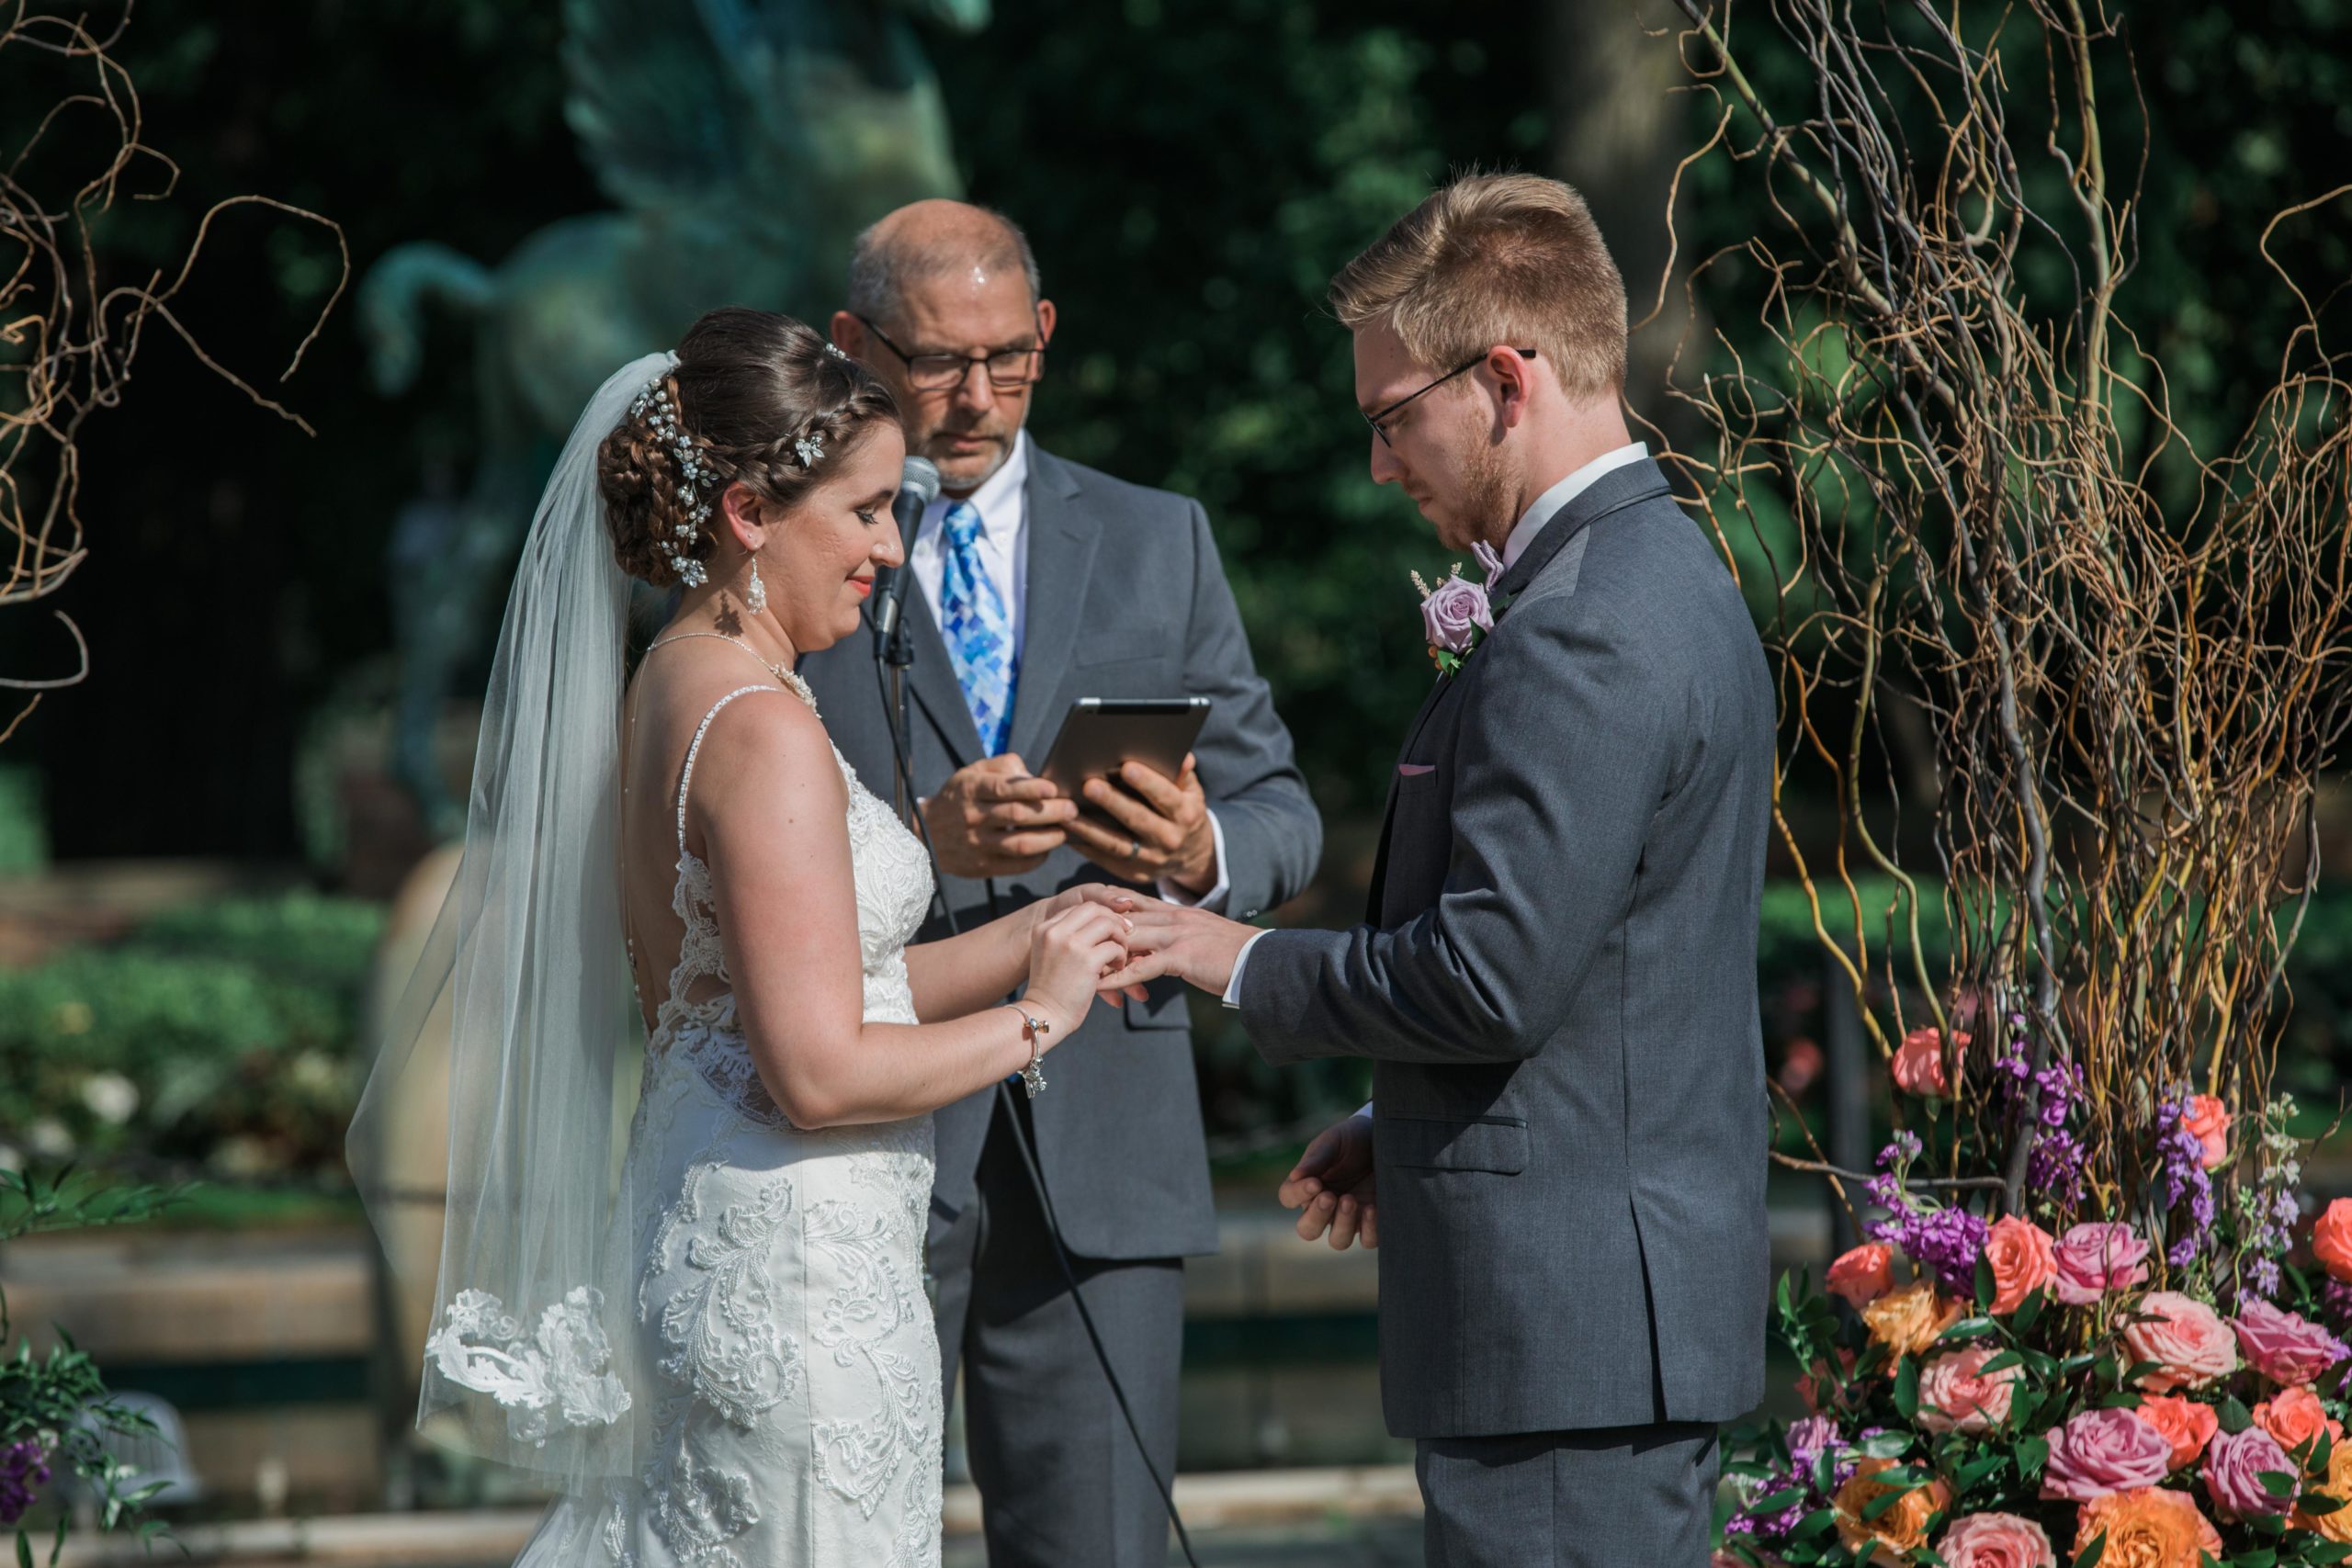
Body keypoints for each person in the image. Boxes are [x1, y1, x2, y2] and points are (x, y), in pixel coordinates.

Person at [352, 309, 1141, 1568]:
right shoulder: (765, 731)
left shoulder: (676, 677)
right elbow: (818, 1068)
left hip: (727, 1233)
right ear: (748, 514)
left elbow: (787, 992)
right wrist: (1038, 1016)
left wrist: (1041, 930)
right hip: (799, 1279)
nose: (890, 547)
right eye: (868, 510)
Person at [1103, 174, 1775, 1566]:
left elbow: (1488, 976)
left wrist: (1233, 955)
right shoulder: (1656, 574)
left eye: (1393, 418)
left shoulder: (1581, 628)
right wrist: (1404, 1114)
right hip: (1592, 1318)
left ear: (1507, 380)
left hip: (1567, 1341)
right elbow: (1603, 963)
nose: (1379, 463)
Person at [797, 201, 1321, 1567]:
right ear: (852, 345)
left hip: (1106, 1140)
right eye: (929, 362)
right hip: (864, 1140)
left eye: (1005, 361)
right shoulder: (792, 558)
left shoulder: (1162, 539)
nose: (974, 399)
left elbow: (1283, 815)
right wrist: (923, 833)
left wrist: (1205, 851)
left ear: (1041, 336)